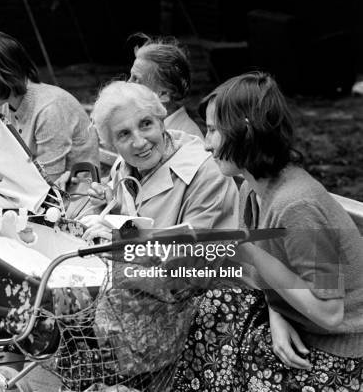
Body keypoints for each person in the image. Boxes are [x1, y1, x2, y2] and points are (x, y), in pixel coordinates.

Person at [178, 71, 363, 391]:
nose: (206, 144)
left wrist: (254, 256)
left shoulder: (298, 206)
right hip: (299, 326)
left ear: (244, 131)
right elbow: (262, 274)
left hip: (336, 349)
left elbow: (332, 313)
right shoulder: (252, 189)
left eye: (212, 131)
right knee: (209, 305)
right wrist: (278, 316)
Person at [82, 81, 239, 391]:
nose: (139, 141)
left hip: (196, 304)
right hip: (144, 291)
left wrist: (116, 243)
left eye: (146, 124)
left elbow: (191, 268)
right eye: (124, 135)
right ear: (112, 143)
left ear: (161, 118)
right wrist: (104, 207)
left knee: (77, 314)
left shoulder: (205, 173)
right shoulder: (125, 165)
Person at [0, 29, 99, 186]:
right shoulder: (5, 106)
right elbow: (6, 162)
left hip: (76, 198)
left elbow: (49, 179)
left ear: (4, 73)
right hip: (38, 195)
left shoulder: (49, 109)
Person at [128, 34, 204, 139]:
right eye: (131, 76)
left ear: (163, 94)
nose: (128, 83)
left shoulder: (188, 139)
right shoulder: (143, 122)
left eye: (137, 79)